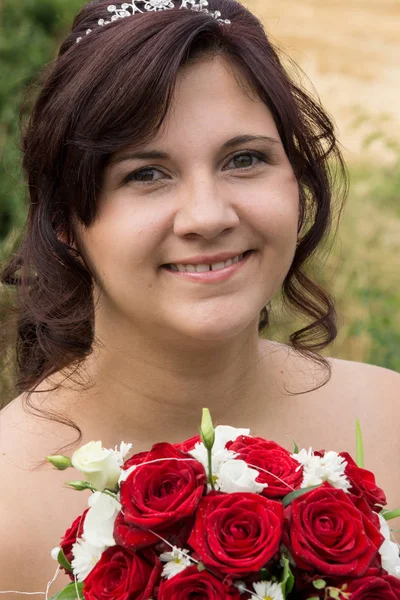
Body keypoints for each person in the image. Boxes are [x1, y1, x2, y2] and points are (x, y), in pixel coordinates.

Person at [0, 0, 399, 594]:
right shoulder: (8, 510)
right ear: (65, 221)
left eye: (244, 160)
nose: (208, 216)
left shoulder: (391, 416)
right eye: (146, 173)